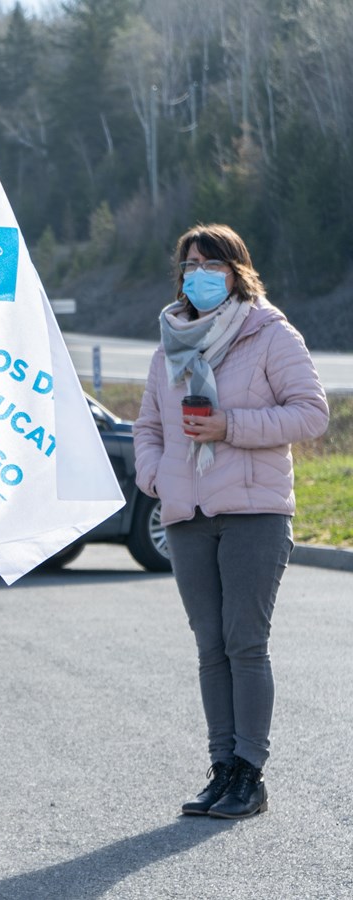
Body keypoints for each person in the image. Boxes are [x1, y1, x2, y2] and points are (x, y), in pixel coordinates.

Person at [132, 223, 327, 820]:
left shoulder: (270, 333)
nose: (198, 274)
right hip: (187, 515)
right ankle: (221, 770)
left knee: (245, 644)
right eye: (190, 265)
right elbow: (148, 428)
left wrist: (230, 426)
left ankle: (250, 774)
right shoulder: (170, 342)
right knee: (210, 647)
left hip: (254, 513)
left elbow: (311, 414)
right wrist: (155, 477)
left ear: (237, 272)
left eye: (211, 264)